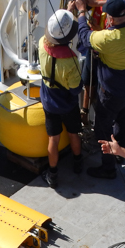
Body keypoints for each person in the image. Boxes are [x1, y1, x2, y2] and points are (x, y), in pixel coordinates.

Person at [75, 0, 125, 180]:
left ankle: (108, 169)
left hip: (110, 92)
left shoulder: (107, 39)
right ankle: (120, 155)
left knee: (103, 129)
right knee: (122, 119)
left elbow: (84, 36)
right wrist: (96, 2)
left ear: (111, 20)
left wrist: (82, 10)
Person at [66, 0, 125, 126]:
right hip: (93, 51)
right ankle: (84, 113)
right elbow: (83, 1)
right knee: (87, 82)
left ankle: (101, 124)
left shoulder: (121, 9)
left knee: (102, 92)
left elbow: (111, 39)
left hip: (108, 58)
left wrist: (96, 27)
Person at [38, 10, 84, 188]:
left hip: (49, 103)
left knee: (53, 139)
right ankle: (78, 163)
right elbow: (75, 89)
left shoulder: (42, 44)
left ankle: (53, 175)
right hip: (68, 104)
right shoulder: (71, 61)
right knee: (73, 133)